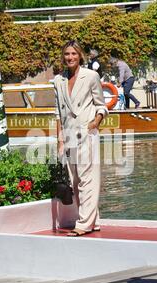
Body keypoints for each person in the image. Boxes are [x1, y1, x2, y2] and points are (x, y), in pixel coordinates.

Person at [53, 40, 108, 237]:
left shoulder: (91, 76)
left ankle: (84, 224)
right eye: (67, 54)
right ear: (63, 56)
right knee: (75, 182)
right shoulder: (58, 80)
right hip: (68, 137)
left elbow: (101, 105)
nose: (70, 57)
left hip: (87, 133)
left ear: (80, 56)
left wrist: (95, 123)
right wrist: (59, 140)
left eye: (74, 54)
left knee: (87, 179)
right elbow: (58, 113)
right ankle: (94, 221)